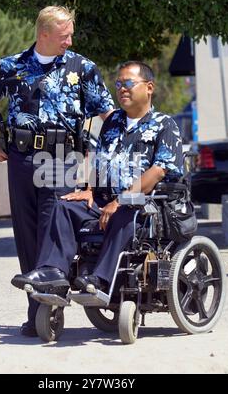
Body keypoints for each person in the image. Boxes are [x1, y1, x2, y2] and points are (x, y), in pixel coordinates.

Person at [0, 6, 114, 336]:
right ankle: (38, 308)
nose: (70, 40)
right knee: (26, 235)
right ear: (44, 35)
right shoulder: (10, 67)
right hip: (21, 158)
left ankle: (48, 306)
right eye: (65, 34)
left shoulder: (83, 68)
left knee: (51, 228)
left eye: (71, 34)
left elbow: (108, 114)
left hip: (61, 159)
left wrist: (107, 157)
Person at [11, 60, 184, 295]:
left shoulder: (165, 125)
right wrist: (89, 189)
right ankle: (53, 271)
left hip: (142, 206)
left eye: (129, 83)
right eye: (119, 83)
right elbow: (96, 157)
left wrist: (120, 200)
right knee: (64, 206)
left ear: (149, 87)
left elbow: (158, 171)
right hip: (104, 201)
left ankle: (101, 279)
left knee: (126, 212)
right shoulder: (112, 122)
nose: (122, 88)